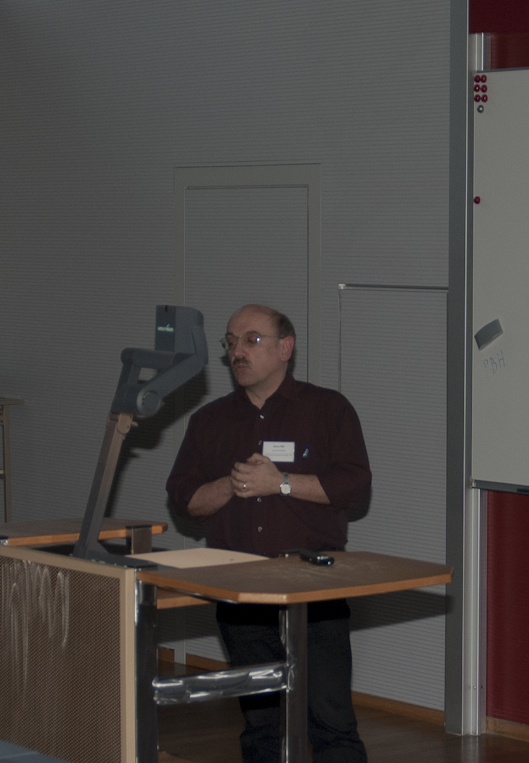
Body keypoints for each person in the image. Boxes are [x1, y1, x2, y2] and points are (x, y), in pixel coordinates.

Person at [166, 303, 371, 763]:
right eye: (230, 342)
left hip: (314, 589)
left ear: (285, 348)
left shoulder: (328, 409)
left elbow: (355, 487)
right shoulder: (209, 421)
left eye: (251, 340)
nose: (237, 351)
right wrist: (231, 484)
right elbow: (184, 501)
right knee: (262, 727)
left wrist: (281, 482)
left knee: (331, 721)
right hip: (241, 593)